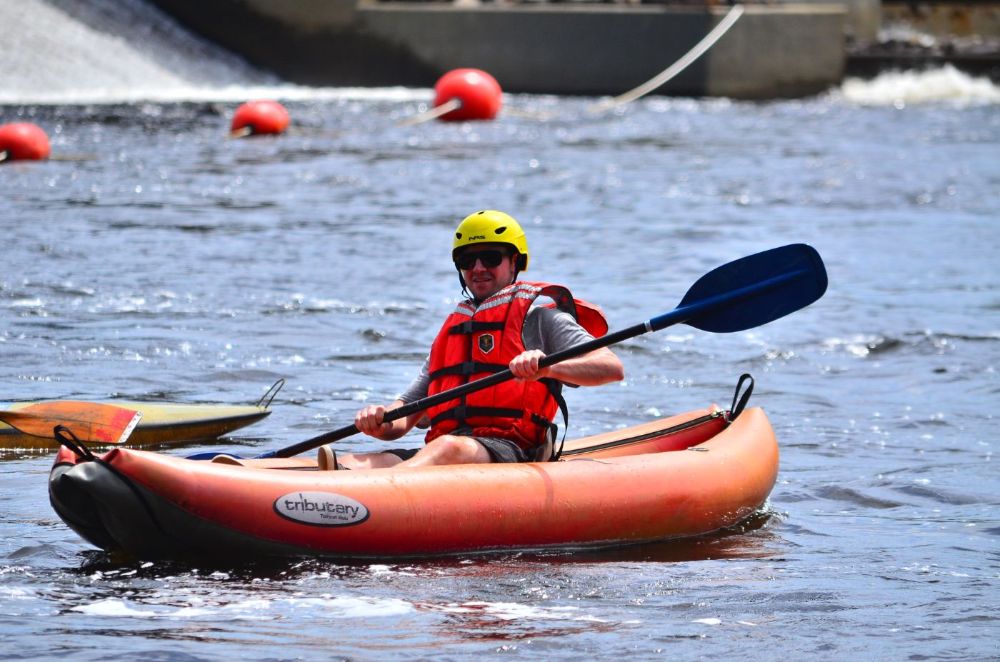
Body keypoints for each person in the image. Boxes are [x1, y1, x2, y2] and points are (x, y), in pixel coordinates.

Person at [319, 210, 624, 470]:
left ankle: (376, 496)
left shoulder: (541, 318)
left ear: (514, 262)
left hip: (514, 452)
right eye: (468, 260)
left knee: (449, 449)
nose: (478, 268)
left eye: (490, 257)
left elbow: (610, 367)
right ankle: (334, 492)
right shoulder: (454, 330)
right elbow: (403, 419)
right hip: (447, 452)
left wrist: (547, 369)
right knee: (365, 460)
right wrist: (379, 420)